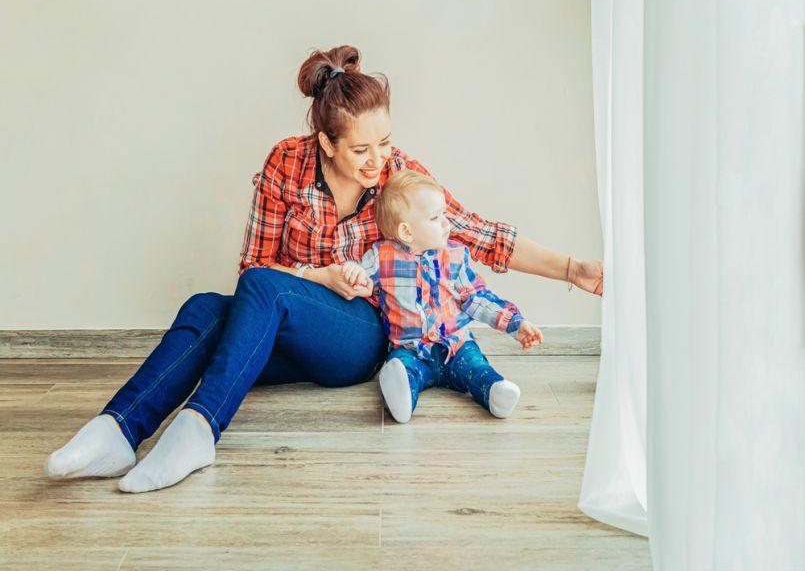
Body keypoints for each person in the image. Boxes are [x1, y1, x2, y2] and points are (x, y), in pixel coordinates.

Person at [43, 45, 604, 493]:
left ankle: (198, 430)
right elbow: (253, 263)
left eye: (384, 142)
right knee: (206, 308)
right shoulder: (285, 163)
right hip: (291, 317)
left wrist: (572, 267)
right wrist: (322, 275)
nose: (377, 160)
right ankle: (118, 430)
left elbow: (478, 235)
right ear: (326, 143)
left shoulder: (397, 175)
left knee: (259, 288)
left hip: (360, 336)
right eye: (361, 149)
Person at [340, 170, 543, 423]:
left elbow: (477, 298)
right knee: (403, 367)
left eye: (444, 214)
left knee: (475, 366)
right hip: (411, 348)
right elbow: (362, 275)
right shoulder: (382, 256)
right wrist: (353, 270)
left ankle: (494, 390)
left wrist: (515, 323)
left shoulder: (455, 256)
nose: (447, 223)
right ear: (406, 232)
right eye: (435, 218)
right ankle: (401, 396)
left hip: (455, 345)